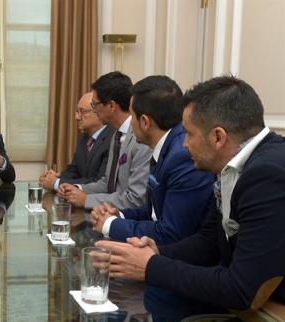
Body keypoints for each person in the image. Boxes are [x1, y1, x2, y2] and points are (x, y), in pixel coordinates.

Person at [97, 76, 285, 309]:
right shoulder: (230, 162)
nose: (184, 144)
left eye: (188, 134)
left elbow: (240, 290)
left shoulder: (268, 175)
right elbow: (209, 242)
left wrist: (151, 266)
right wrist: (158, 251)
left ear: (218, 137)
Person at [90, 76, 214, 245]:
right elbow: (155, 212)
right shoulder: (168, 146)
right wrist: (119, 215)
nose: (130, 124)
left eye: (132, 116)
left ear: (145, 122)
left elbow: (170, 233)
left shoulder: (181, 156)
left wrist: (110, 225)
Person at [58, 72, 152, 210]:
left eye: (95, 104)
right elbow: (108, 183)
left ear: (112, 106)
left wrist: (86, 200)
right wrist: (77, 189)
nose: (94, 110)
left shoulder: (140, 138)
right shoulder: (117, 134)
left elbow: (136, 199)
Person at [39, 92, 114, 190]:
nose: (77, 117)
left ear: (98, 110)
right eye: (77, 111)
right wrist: (58, 176)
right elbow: (74, 170)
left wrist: (56, 183)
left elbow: (98, 181)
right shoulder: (83, 137)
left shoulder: (112, 139)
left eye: (83, 111)